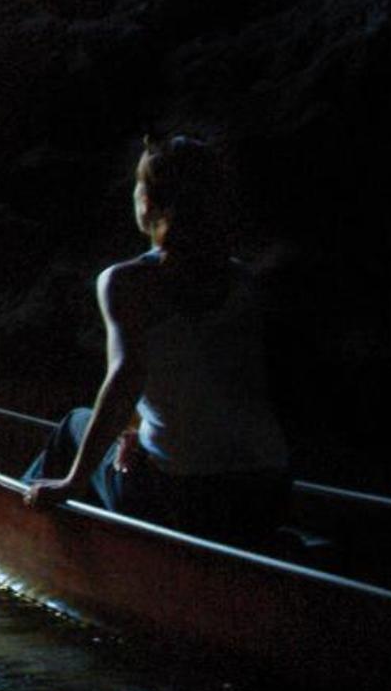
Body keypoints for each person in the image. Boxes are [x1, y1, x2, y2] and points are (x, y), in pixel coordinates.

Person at [23, 135, 291, 544]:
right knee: (120, 442)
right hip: (269, 490)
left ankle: (22, 533)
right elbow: (207, 383)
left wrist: (73, 481)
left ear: (148, 201)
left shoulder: (127, 283)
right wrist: (135, 429)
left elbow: (126, 378)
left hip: (184, 498)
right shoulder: (244, 281)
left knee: (73, 425)